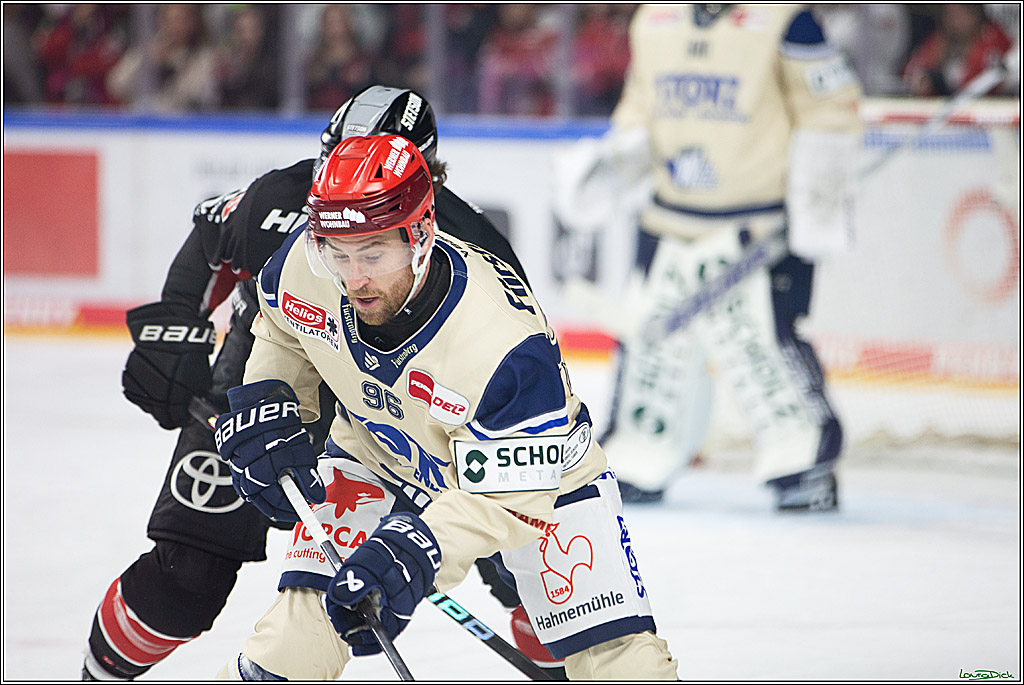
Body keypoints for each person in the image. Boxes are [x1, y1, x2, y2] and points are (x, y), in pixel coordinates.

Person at [81, 86, 536, 681]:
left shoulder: (471, 248)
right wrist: (176, 329)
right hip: (260, 380)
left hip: (390, 419)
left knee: (534, 571)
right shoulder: (278, 197)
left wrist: (491, 511)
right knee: (184, 578)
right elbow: (211, 234)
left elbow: (507, 385)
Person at [211, 133, 680, 680]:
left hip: (539, 480)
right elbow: (282, 328)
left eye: (373, 253)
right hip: (377, 455)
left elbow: (509, 501)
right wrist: (270, 397)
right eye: (337, 253)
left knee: (618, 660)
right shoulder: (306, 265)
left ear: (421, 235)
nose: (353, 277)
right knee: (293, 642)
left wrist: (420, 547)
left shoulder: (504, 344)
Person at [554, 4, 862, 509]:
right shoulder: (655, 20)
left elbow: (831, 109)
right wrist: (615, 162)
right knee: (653, 351)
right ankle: (640, 455)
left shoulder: (786, 21)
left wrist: (818, 204)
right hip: (669, 220)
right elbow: (639, 109)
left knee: (761, 347)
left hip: (757, 226)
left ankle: (803, 465)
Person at [903, 3, 1013, 97]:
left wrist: (939, 84)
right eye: (949, 14)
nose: (953, 20)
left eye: (959, 13)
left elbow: (982, 86)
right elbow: (910, 72)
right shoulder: (940, 40)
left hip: (987, 107)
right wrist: (926, 78)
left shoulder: (992, 38)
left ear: (974, 14)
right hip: (946, 108)